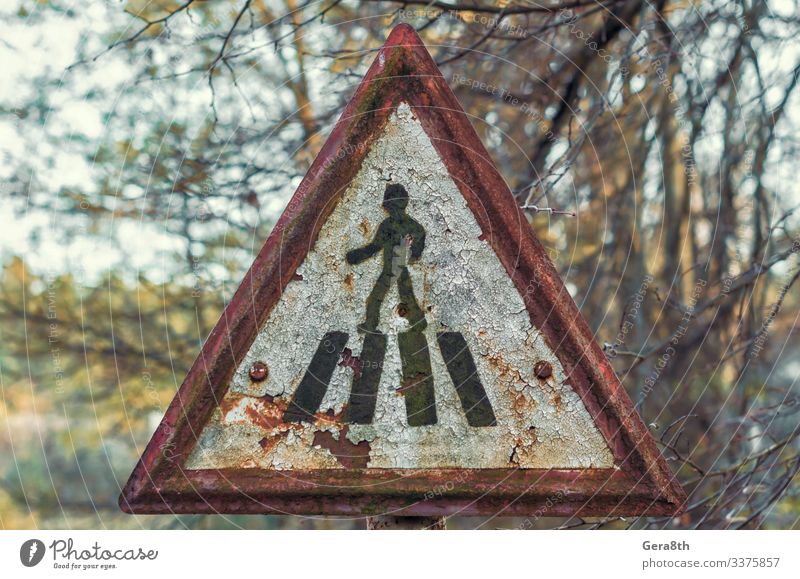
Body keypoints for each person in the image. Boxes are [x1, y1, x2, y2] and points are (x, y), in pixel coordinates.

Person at [346, 183, 427, 333]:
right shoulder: (412, 226)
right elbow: (376, 247)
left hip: (392, 268)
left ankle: (371, 325)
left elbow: (375, 247)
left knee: (377, 298)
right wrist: (414, 253)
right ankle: (418, 323)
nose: (388, 209)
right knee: (406, 296)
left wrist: (356, 256)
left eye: (389, 205)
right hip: (397, 268)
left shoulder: (390, 225)